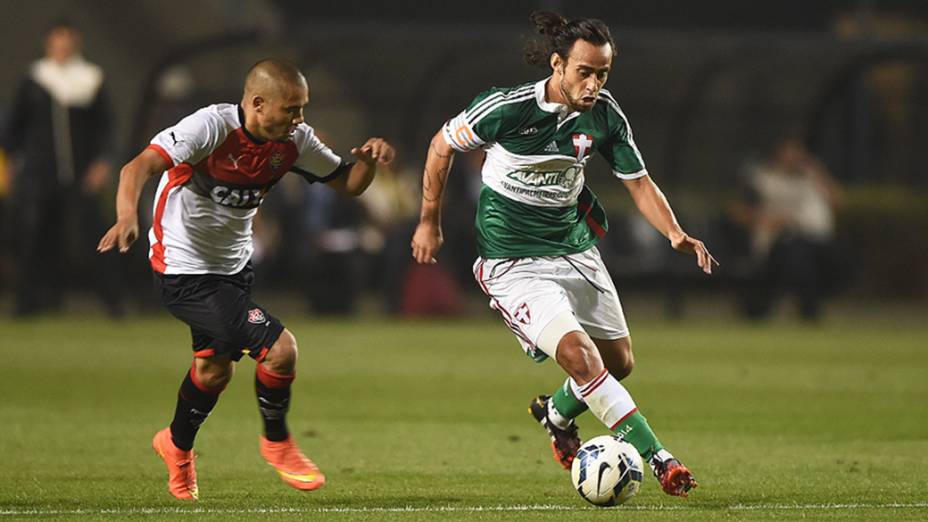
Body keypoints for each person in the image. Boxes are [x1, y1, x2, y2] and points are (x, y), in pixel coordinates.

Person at [411, 11, 716, 497]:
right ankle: (660, 458)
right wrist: (429, 220)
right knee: (580, 356)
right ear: (557, 64)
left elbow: (637, 181)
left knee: (619, 362)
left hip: (574, 249)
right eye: (585, 72)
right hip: (513, 261)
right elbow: (440, 146)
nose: (594, 83)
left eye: (603, 74)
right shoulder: (506, 110)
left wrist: (675, 233)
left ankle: (555, 414)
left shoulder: (605, 114)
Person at [97, 59, 395, 500]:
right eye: (292, 109)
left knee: (213, 372)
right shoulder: (210, 128)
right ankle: (277, 443)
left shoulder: (293, 142)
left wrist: (367, 163)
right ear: (258, 103)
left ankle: (175, 446)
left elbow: (347, 183)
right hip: (183, 269)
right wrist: (126, 216)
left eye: (303, 108)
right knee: (280, 350)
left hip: (233, 269)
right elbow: (135, 168)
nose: (300, 119)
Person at [1, 20, 122, 316]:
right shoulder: (35, 79)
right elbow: (14, 128)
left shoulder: (90, 79)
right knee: (34, 239)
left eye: (68, 41)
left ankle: (115, 303)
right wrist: (12, 163)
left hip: (81, 175)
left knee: (96, 236)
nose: (63, 47)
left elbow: (106, 128)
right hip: (39, 176)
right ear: (48, 44)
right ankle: (28, 304)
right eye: (58, 41)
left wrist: (103, 162)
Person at [730, 136, 845, 321]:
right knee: (796, 252)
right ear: (778, 153)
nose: (794, 158)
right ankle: (808, 310)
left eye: (798, 152)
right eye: (790, 152)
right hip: (777, 243)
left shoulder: (810, 179)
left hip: (816, 244)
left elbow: (838, 203)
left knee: (809, 254)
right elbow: (738, 213)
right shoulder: (763, 180)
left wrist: (819, 174)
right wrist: (768, 219)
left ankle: (804, 307)